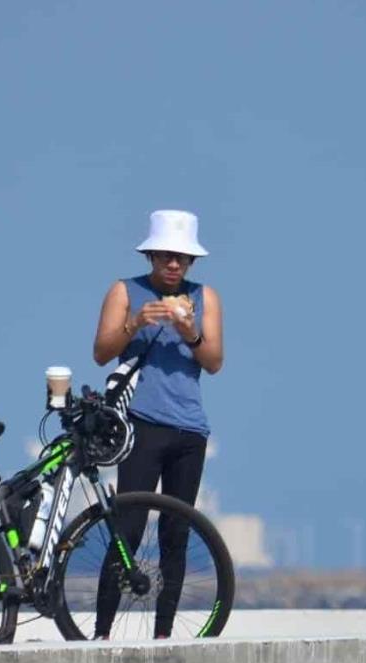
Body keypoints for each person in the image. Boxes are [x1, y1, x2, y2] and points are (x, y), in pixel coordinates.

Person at [91, 209, 224, 639]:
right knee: (128, 528)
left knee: (176, 534)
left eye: (182, 259)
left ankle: (164, 634)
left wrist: (189, 331)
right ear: (151, 255)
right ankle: (102, 632)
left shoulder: (206, 297)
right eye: (166, 256)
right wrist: (136, 322)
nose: (173, 265)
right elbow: (101, 352)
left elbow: (214, 362)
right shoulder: (125, 291)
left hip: (190, 430)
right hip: (141, 424)